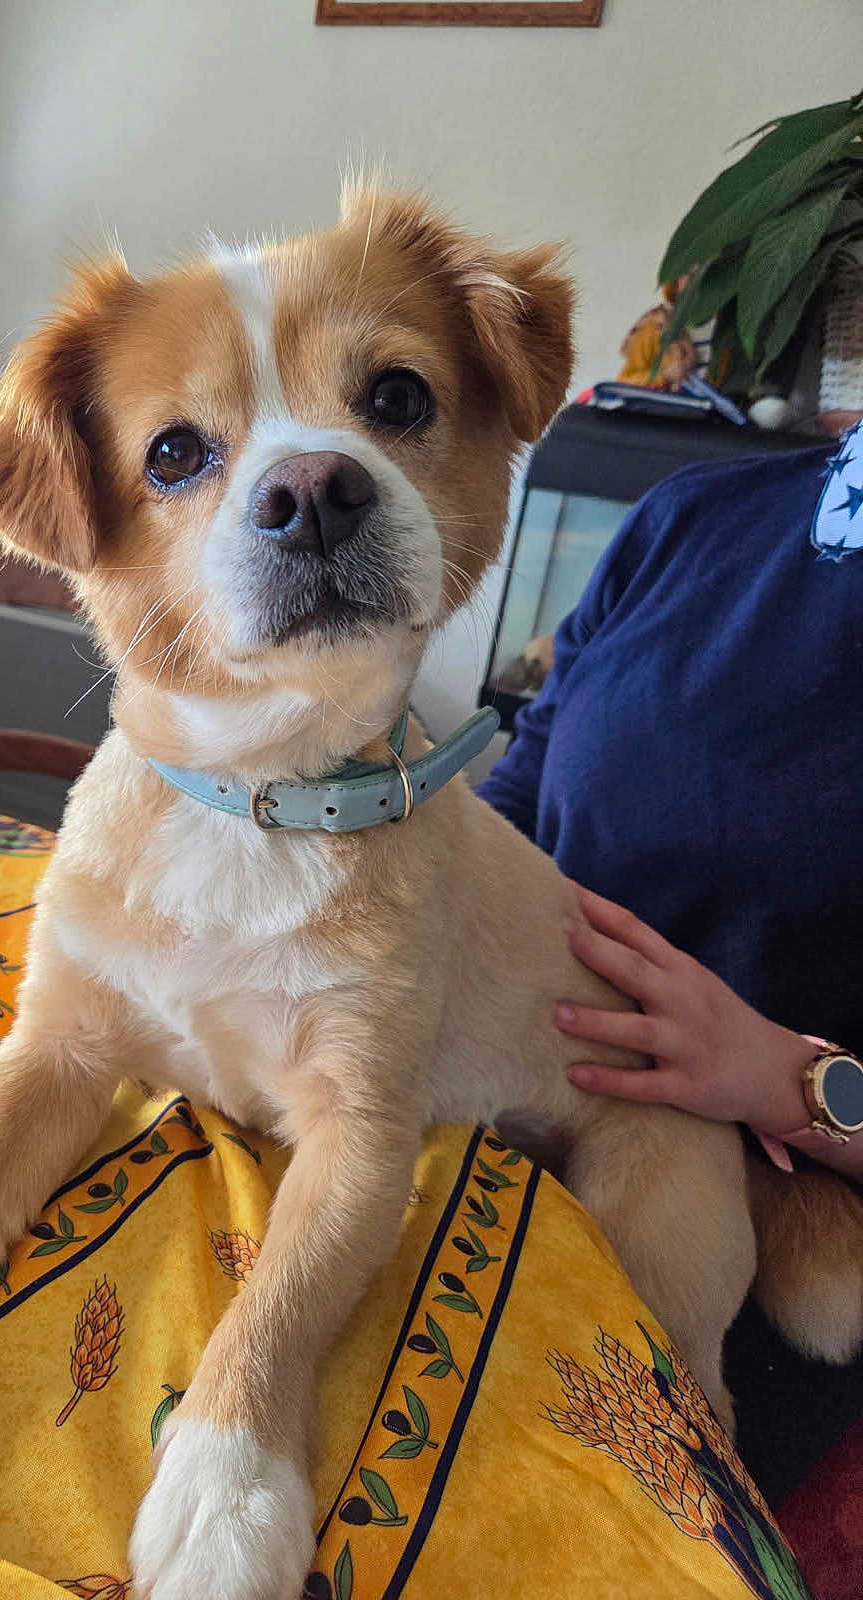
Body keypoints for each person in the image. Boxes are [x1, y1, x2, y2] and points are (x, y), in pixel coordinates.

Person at [476, 416, 863, 1507]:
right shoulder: (687, 517)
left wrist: (781, 1074)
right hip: (504, 1109)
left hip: (769, 1250)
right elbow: (520, 795)